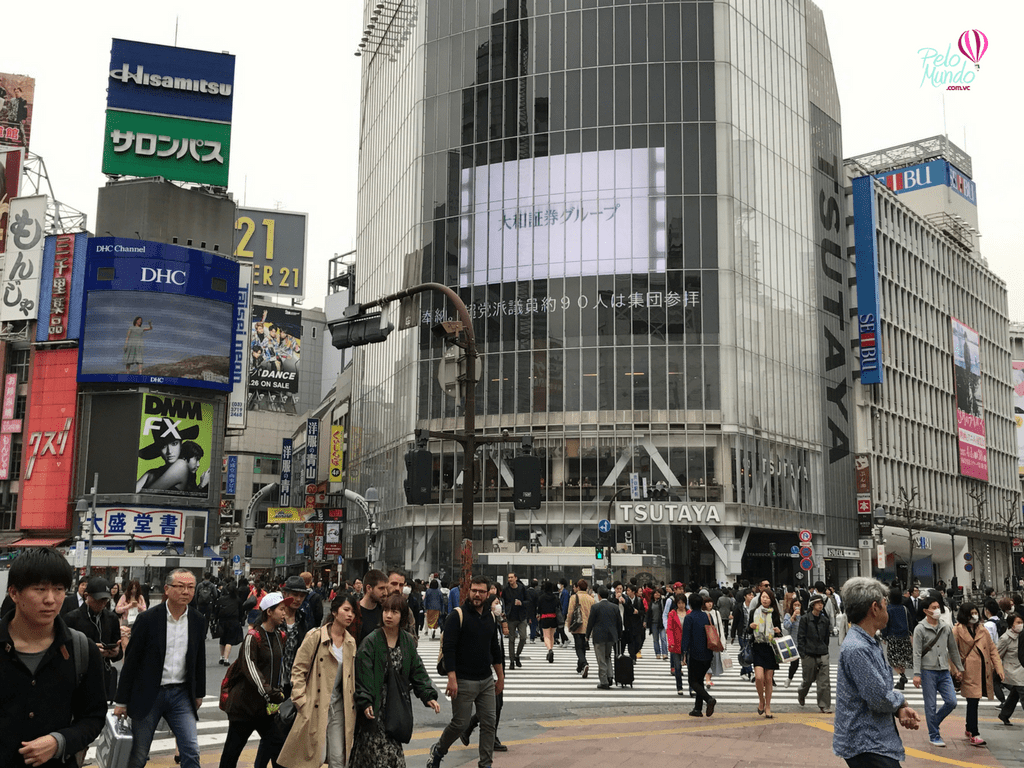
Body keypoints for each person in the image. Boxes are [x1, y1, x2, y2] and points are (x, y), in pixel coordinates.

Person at [0, 547, 106, 768]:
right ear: (14, 593)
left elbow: (93, 717)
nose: (51, 599)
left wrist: (59, 742)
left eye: (59, 589)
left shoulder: (81, 649)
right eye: (40, 589)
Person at [114, 568, 206, 768]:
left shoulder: (198, 620)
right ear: (167, 588)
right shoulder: (148, 619)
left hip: (181, 694)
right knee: (139, 754)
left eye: (190, 587)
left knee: (191, 750)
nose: (185, 591)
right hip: (149, 693)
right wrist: (121, 700)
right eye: (180, 586)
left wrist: (199, 693)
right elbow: (131, 661)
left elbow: (199, 659)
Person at [833, 577, 921, 767]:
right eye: (884, 603)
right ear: (874, 608)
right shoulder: (858, 647)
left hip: (872, 740)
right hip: (866, 742)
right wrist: (902, 702)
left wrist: (898, 710)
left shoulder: (868, 641)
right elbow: (878, 697)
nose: (886, 607)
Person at [356, 593, 441, 768]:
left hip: (396, 708)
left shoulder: (407, 641)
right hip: (375, 708)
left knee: (391, 756)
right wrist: (365, 701)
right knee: (375, 755)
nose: (388, 615)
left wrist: (428, 695)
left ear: (402, 615)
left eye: (394, 612)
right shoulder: (371, 641)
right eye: (386, 610)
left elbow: (417, 671)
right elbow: (363, 674)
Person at [426, 576, 503, 768]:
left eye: (481, 591)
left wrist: (500, 677)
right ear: (469, 591)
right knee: (460, 724)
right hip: (463, 679)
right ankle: (438, 750)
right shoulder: (457, 615)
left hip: (486, 679)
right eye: (474, 590)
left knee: (489, 723)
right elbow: (449, 648)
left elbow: (495, 649)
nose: (477, 594)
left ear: (488, 594)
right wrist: (452, 678)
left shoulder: (491, 617)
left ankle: (485, 764)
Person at [278, 593, 359, 768]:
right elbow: (299, 668)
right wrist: (300, 698)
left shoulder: (350, 643)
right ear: (335, 611)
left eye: (353, 611)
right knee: (314, 757)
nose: (350, 615)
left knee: (339, 758)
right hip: (314, 703)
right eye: (346, 610)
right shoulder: (316, 636)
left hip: (339, 706)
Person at [219, 593, 291, 768]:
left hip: (265, 709)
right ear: (269, 612)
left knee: (278, 750)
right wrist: (269, 692)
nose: (284, 613)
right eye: (281, 609)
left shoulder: (281, 636)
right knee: (231, 753)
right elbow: (250, 668)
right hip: (244, 708)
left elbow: (279, 666)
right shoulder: (253, 636)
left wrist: (278, 690)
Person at [911, 592, 964, 747]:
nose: (937, 610)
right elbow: (917, 653)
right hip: (928, 670)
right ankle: (934, 735)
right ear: (926, 611)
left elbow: (953, 649)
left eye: (938, 607)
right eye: (933, 608)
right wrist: (916, 674)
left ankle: (934, 721)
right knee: (931, 705)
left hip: (944, 670)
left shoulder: (945, 628)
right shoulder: (920, 629)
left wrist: (959, 668)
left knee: (952, 701)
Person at [64, 577, 124, 702]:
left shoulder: (111, 618)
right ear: (87, 596)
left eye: (105, 600)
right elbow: (64, 651)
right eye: (99, 600)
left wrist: (115, 652)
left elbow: (118, 652)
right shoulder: (72, 618)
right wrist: (89, 650)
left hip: (103, 675)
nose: (102, 604)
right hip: (78, 677)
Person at [952, 602, 1003, 746]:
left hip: (983, 669)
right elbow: (951, 652)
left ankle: (969, 727)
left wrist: (998, 667)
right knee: (973, 701)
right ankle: (974, 733)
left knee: (974, 701)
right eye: (971, 613)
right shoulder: (957, 631)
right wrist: (956, 671)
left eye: (976, 612)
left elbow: (992, 649)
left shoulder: (982, 629)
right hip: (967, 671)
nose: (975, 616)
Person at [135, 420, 201, 492]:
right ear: (159, 449)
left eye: (174, 444)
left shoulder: (181, 465)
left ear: (180, 445)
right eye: (163, 446)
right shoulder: (152, 473)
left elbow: (144, 497)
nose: (169, 451)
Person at [680, 592, 716, 717]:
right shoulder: (707, 616)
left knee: (693, 681)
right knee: (699, 680)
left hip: (695, 654)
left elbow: (686, 637)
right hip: (708, 653)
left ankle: (709, 699)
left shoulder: (689, 618)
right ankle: (697, 708)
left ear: (689, 604)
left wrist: (683, 652)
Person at [749, 585, 782, 717]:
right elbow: (747, 630)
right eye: (763, 597)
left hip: (770, 648)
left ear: (771, 599)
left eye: (767, 597)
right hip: (758, 646)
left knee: (768, 679)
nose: (765, 599)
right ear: (760, 598)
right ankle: (761, 700)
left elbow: (779, 631)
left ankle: (767, 706)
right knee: (758, 677)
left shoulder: (774, 613)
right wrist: (751, 627)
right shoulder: (754, 612)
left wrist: (778, 631)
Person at [796, 594, 833, 714]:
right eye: (818, 603)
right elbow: (800, 637)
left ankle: (824, 705)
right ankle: (802, 693)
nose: (820, 605)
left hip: (822, 652)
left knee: (824, 681)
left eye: (821, 603)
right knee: (808, 679)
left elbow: (827, 638)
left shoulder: (825, 621)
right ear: (812, 605)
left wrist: (825, 649)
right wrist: (802, 653)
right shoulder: (805, 619)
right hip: (808, 652)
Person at [586, 586, 623, 691]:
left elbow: (590, 622)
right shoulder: (614, 607)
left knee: (601, 658)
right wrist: (619, 635)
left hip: (599, 636)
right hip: (611, 636)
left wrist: (587, 635)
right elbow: (619, 622)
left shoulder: (595, 607)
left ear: (599, 596)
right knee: (608, 656)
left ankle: (604, 681)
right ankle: (610, 676)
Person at [883, 586, 913, 690]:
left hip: (893, 636)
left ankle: (902, 677)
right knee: (902, 659)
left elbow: (885, 623)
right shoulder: (904, 608)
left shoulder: (888, 609)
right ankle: (901, 680)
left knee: (893, 660)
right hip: (904, 636)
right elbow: (910, 622)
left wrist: (884, 636)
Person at [997, 612, 1024, 725]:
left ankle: (1004, 714)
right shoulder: (1005, 638)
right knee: (1023, 693)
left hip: (1021, 669)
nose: (1021, 625)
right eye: (1018, 622)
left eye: (1022, 622)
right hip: (1013, 671)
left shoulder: (1022, 636)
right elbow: (997, 655)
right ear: (1011, 624)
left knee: (1015, 694)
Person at [566, 578, 594, 677]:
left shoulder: (574, 597)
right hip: (588, 626)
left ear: (578, 587)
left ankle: (584, 663)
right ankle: (580, 667)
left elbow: (570, 612)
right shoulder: (591, 599)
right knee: (583, 646)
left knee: (578, 647)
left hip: (578, 625)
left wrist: (568, 624)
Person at [501, 572, 529, 670]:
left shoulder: (522, 588)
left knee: (523, 637)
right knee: (511, 639)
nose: (510, 579)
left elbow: (528, 601)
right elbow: (503, 601)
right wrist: (504, 611)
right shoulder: (506, 590)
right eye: (508, 577)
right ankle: (512, 661)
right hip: (511, 617)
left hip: (521, 617)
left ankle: (517, 655)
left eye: (512, 577)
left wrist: (521, 603)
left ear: (516, 578)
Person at [216, 582, 244, 665]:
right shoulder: (238, 599)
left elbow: (216, 610)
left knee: (222, 639)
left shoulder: (221, 599)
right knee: (229, 640)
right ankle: (226, 659)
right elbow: (241, 611)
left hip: (222, 621)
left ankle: (221, 657)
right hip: (233, 621)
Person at [357, 569, 388, 645]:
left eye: (386, 588)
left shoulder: (384, 611)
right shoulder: (354, 611)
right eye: (381, 588)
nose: (385, 593)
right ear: (369, 588)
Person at [666, 593, 688, 695]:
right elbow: (669, 629)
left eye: (683, 603)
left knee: (691, 667)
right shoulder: (672, 614)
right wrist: (671, 642)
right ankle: (679, 687)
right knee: (677, 668)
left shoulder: (689, 613)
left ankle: (692, 687)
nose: (681, 605)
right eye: (679, 603)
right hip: (676, 643)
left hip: (688, 643)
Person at [702, 594, 725, 689]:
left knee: (713, 660)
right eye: (707, 602)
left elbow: (720, 627)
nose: (709, 604)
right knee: (706, 660)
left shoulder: (716, 613)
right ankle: (707, 679)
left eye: (710, 602)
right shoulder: (701, 613)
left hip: (715, 640)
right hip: (704, 640)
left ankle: (708, 678)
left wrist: (722, 642)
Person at [733, 588, 755, 681]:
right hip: (742, 633)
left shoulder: (755, 607)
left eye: (752, 595)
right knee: (744, 651)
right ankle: (751, 672)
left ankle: (743, 671)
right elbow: (735, 621)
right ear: (745, 596)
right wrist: (733, 634)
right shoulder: (740, 607)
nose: (751, 597)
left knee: (748, 652)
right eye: (749, 595)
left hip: (752, 633)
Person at [537, 580, 560, 663]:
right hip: (553, 618)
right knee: (552, 636)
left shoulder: (541, 597)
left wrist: (538, 614)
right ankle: (550, 650)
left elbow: (539, 608)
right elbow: (558, 607)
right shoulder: (555, 597)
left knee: (546, 636)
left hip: (545, 617)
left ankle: (550, 650)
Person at [782, 598, 802, 687]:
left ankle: (806, 683)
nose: (797, 607)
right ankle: (789, 678)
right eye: (795, 605)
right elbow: (786, 626)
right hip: (793, 643)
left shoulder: (804, 616)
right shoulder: (788, 615)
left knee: (807, 664)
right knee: (794, 664)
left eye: (798, 605)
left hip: (803, 643)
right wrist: (793, 617)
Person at [623, 584, 646, 659]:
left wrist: (638, 612)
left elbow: (643, 612)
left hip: (637, 624)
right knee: (631, 642)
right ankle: (632, 657)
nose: (627, 592)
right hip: (628, 624)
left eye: (629, 590)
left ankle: (635, 653)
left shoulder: (639, 600)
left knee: (638, 641)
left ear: (633, 592)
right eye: (627, 590)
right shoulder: (625, 600)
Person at [649, 588, 666, 660]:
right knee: (655, 639)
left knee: (663, 638)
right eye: (655, 593)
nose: (657, 594)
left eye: (658, 593)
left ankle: (665, 653)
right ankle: (657, 653)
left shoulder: (662, 601)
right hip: (653, 623)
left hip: (661, 622)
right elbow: (649, 613)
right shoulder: (651, 603)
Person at [555, 579, 571, 646]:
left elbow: (565, 604)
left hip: (562, 612)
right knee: (560, 627)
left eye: (559, 583)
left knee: (560, 627)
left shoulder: (565, 593)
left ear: (562, 585)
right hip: (560, 612)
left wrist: (563, 613)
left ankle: (566, 640)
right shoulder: (561, 592)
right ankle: (563, 641)